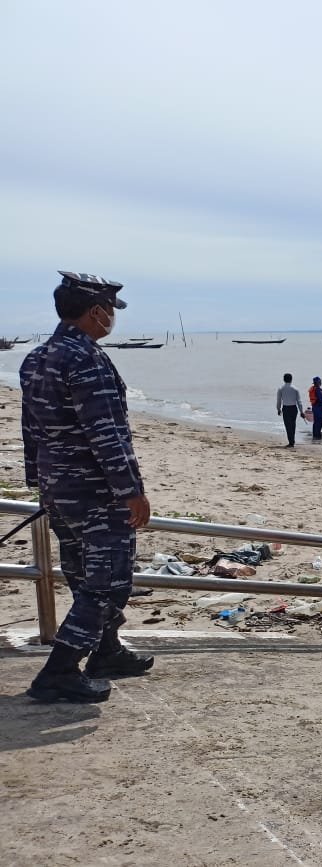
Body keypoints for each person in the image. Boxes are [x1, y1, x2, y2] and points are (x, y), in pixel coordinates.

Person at [20, 271, 153, 703]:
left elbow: (31, 429)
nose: (113, 317)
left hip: (59, 489)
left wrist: (39, 482)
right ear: (97, 311)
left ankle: (107, 651)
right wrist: (130, 489)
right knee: (108, 582)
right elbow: (106, 432)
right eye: (111, 309)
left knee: (83, 575)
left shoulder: (37, 358)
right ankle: (59, 671)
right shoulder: (86, 359)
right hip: (97, 491)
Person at [275, 373, 306, 448]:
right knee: (293, 424)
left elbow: (279, 400)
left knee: (288, 425)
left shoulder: (281, 388)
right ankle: (292, 441)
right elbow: (299, 401)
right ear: (291, 379)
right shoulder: (295, 389)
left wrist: (278, 409)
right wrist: (301, 411)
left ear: (284, 379)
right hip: (294, 408)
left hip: (286, 408)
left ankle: (291, 442)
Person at [308, 377, 322, 441]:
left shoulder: (314, 389)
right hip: (318, 408)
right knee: (319, 422)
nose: (320, 382)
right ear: (318, 382)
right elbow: (321, 399)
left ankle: (315, 437)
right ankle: (317, 437)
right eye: (320, 381)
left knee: (316, 422)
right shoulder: (318, 390)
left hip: (315, 407)